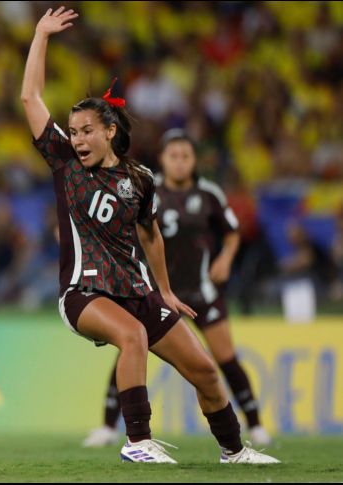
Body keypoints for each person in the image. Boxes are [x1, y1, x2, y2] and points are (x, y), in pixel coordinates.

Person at [20, 7, 278, 464]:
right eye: (73, 130)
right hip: (85, 291)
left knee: (204, 370)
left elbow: (151, 234)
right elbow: (29, 97)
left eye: (86, 131)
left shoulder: (139, 179)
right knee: (133, 336)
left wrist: (164, 290)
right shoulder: (64, 165)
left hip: (138, 291)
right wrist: (41, 35)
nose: (76, 138)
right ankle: (138, 441)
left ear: (109, 131)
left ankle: (234, 451)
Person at [82, 129, 271, 448]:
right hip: (156, 292)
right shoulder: (144, 187)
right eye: (174, 156)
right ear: (163, 160)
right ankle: (107, 426)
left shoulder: (209, 193)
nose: (180, 163)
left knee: (224, 358)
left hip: (202, 292)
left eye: (186, 156)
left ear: (194, 160)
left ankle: (255, 426)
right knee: (130, 349)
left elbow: (232, 232)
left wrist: (225, 258)